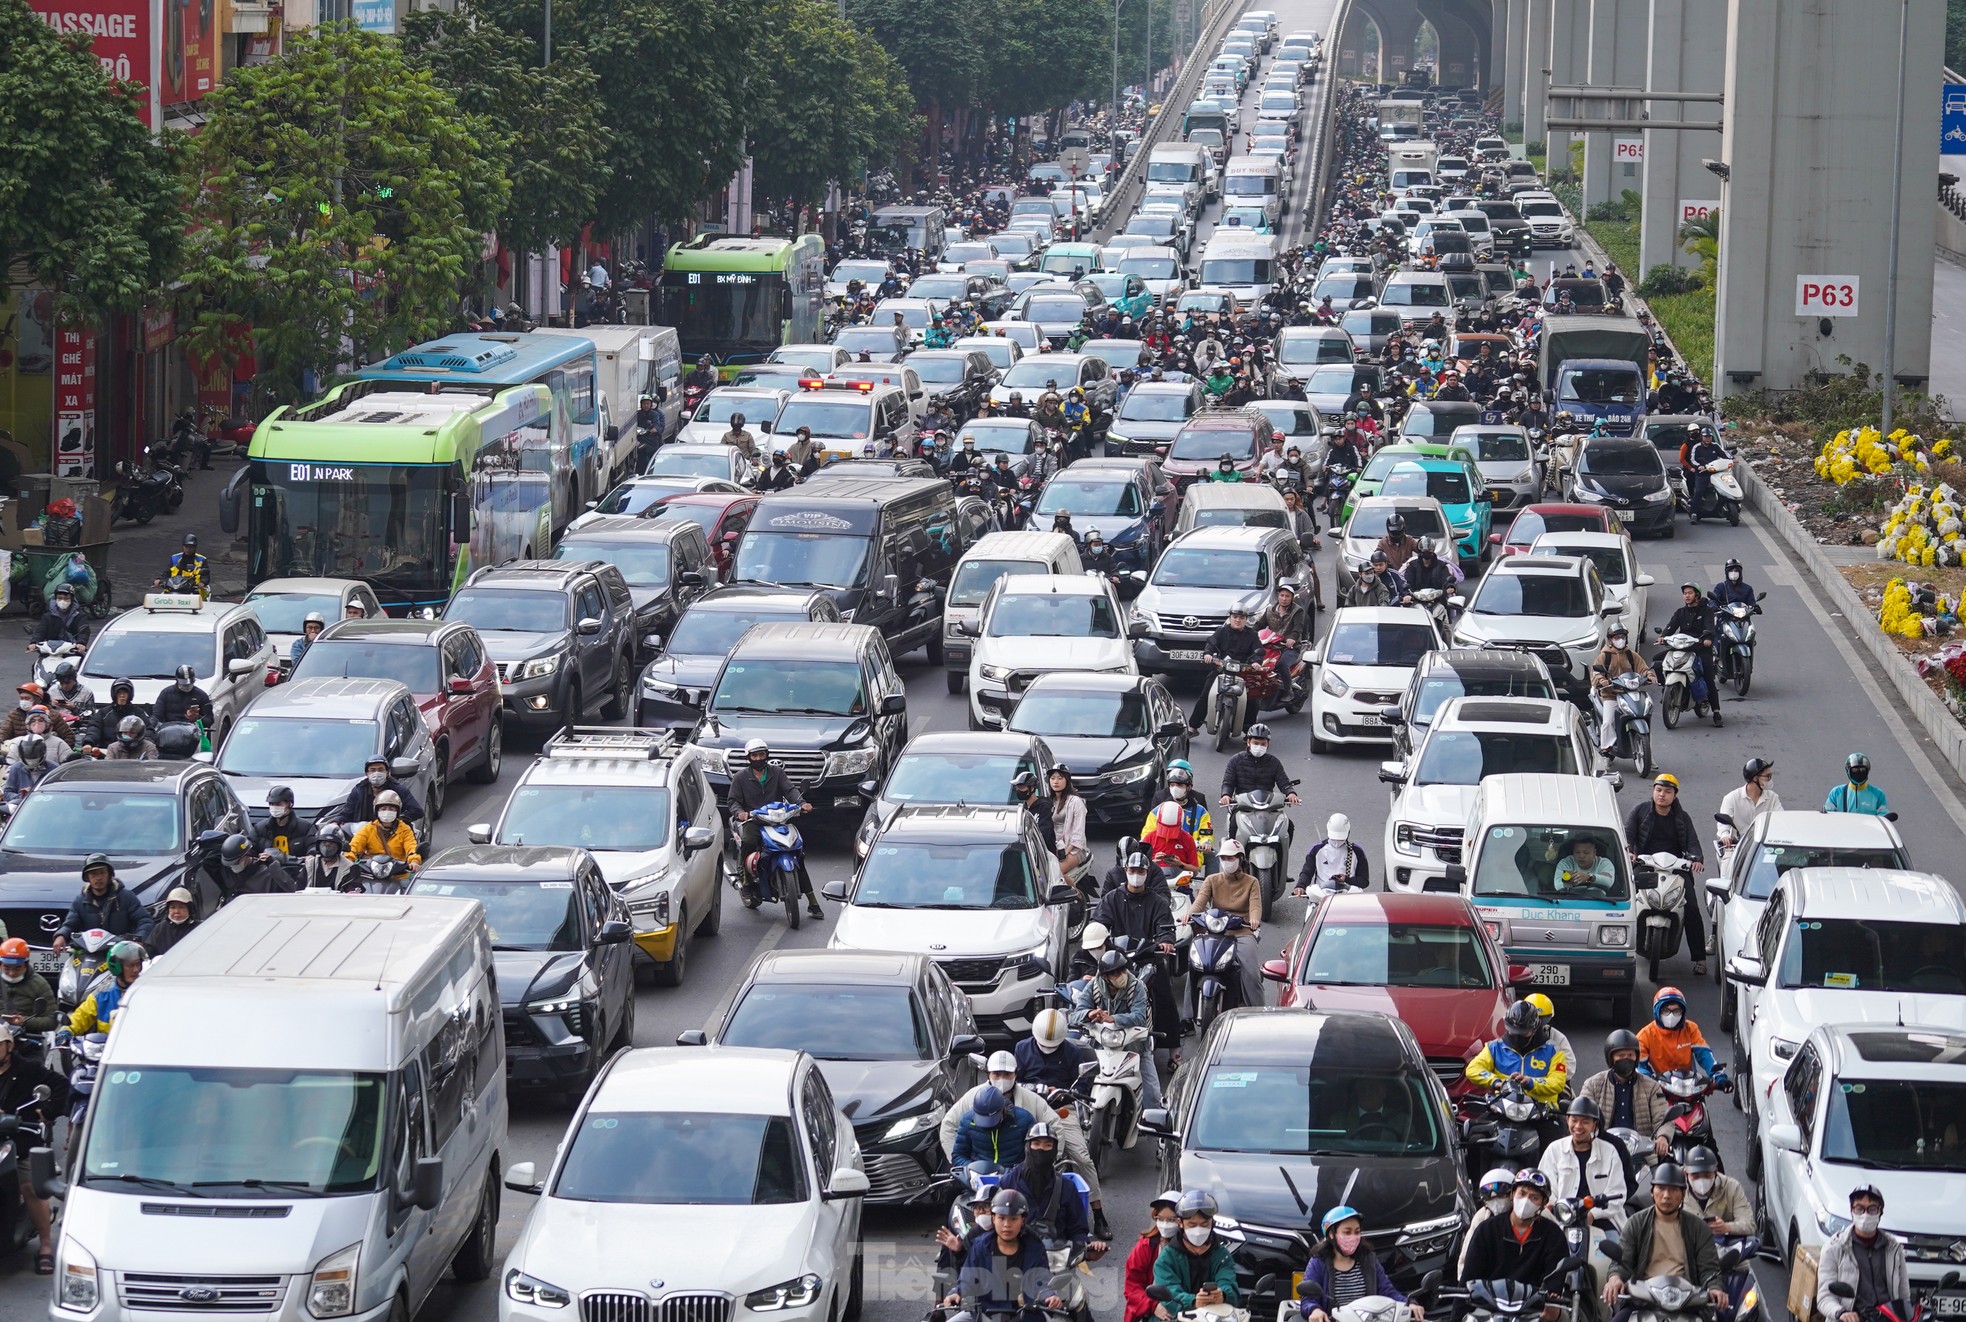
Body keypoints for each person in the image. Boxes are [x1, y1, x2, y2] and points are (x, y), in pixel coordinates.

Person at [1599, 1165, 1727, 1316]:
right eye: (1661, 1188)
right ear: (1652, 1192)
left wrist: (1715, 1287)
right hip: (1644, 1300)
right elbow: (1623, 1261)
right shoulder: (1636, 1222)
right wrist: (1615, 1278)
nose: (1667, 1195)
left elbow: (1709, 1269)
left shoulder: (1699, 1228)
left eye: (1673, 1189)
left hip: (1687, 1302)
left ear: (1683, 1193)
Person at [1093, 858, 1181, 1061]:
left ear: (1147, 872)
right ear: (1125, 870)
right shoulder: (1112, 899)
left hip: (1147, 958)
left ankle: (1174, 1052)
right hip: (1115, 958)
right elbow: (1099, 924)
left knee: (1165, 998)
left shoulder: (1157, 901)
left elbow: (1165, 927)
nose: (1136, 873)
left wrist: (1165, 941)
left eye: (1140, 870)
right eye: (1132, 869)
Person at [1624, 773, 1709, 971]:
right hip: (1645, 865)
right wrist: (1629, 852)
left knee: (1692, 909)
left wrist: (1696, 859)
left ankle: (1700, 959)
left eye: (1667, 791)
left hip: (1676, 868)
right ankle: (1620, 946)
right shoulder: (1640, 811)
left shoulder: (1682, 817)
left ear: (1675, 795)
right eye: (1658, 790)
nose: (1662, 795)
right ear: (1653, 791)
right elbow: (1627, 834)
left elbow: (1693, 843)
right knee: (1626, 899)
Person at [0, 1022, 65, 1272]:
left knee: (31, 1188)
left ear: (9, 1046)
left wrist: (46, 1113)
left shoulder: (27, 1069)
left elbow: (59, 1085)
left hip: (20, 1140)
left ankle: (46, 1246)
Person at [1459, 1169, 1568, 1316]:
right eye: (1522, 1194)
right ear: (1512, 1194)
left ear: (1543, 1204)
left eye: (1534, 1198)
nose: (1526, 1201)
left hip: (1533, 1309)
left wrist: (1551, 1304)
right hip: (1489, 1308)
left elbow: (1554, 1283)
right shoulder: (1487, 1229)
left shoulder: (1553, 1236)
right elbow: (1468, 1279)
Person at [1068, 949, 1161, 1111]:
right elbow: (1076, 1015)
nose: (1121, 975)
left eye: (1123, 970)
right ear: (1105, 976)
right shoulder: (1093, 987)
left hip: (1136, 1045)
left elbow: (1139, 1017)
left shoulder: (1137, 987)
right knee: (1079, 1083)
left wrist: (1114, 1019)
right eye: (1115, 973)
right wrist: (1089, 1014)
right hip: (1101, 1046)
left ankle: (1154, 1124)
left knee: (1152, 1093)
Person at [1300, 1205, 1425, 1322]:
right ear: (1332, 1234)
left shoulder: (1369, 1259)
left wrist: (1408, 1303)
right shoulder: (1318, 1263)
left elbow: (1387, 1291)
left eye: (1357, 1232)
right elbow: (1308, 1300)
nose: (1353, 1237)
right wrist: (1314, 1310)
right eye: (1347, 1232)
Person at [945, 1188, 1059, 1313]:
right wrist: (957, 1292)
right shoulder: (980, 1246)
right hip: (986, 1314)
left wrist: (1048, 1296)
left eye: (1013, 1219)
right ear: (993, 1219)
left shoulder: (1034, 1247)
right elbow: (967, 1278)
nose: (1006, 1224)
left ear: (1023, 1220)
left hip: (1026, 1315)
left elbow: (1041, 1280)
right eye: (1001, 1218)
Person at [998, 1123, 1103, 1258]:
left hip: (1057, 1259)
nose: (1041, 1149)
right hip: (1016, 1258)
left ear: (1054, 1150)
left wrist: (1087, 1250)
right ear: (1027, 1147)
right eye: (1036, 1144)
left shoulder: (1067, 1187)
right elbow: (996, 1224)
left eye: (1048, 1145)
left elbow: (1078, 1229)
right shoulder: (1008, 1182)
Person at [1817, 1185, 1909, 1322]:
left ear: (1880, 1212)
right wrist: (1842, 1313)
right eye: (1859, 1208)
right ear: (1852, 1211)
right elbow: (1824, 1297)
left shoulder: (1894, 1249)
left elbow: (1904, 1296)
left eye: (1872, 1209)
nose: (1865, 1215)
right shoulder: (1834, 1248)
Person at [1190, 839, 1264, 1009]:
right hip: (1215, 932)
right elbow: (1199, 902)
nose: (1227, 862)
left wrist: (1254, 920)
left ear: (1240, 859)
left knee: (1251, 974)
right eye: (1223, 858)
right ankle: (1187, 1017)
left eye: (1231, 858)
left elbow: (1256, 906)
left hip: (1242, 931)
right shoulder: (1212, 880)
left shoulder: (1251, 882)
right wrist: (1189, 915)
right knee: (1195, 966)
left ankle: (1259, 1012)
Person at [1538, 1096, 1630, 1229]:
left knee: (1615, 1248)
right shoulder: (1554, 1149)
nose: (1578, 1126)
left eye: (1585, 1122)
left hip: (1602, 1219)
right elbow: (1547, 1189)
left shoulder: (1609, 1152)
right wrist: (1559, 1210)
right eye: (1574, 1120)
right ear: (1567, 1120)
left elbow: (1617, 1195)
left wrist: (1592, 1214)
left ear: (1595, 1124)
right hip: (1562, 1219)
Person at [1580, 1030, 1674, 1159]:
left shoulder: (1651, 1087)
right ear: (1611, 1058)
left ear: (1636, 1057)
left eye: (1630, 1055)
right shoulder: (1593, 1084)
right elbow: (1583, 1116)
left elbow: (1663, 1119)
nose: (1626, 1059)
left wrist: (1663, 1137)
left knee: (1665, 1175)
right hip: (1602, 1154)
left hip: (1642, 1156)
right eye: (1621, 1055)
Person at [1152, 1191, 1240, 1317]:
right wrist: (1193, 1301)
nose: (1198, 1230)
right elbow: (1169, 1291)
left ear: (1212, 1223)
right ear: (1180, 1223)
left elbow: (1229, 1282)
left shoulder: (1222, 1255)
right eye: (1192, 1225)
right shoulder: (1167, 1258)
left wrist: (1223, 1294)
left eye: (1204, 1225)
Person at [1465, 1000, 1569, 1104]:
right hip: (1503, 1108)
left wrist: (1530, 1082)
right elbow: (1473, 1069)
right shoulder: (1494, 1047)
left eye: (1523, 1033)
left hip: (1543, 1112)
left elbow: (1558, 1082)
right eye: (1512, 1031)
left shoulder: (1553, 1050)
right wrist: (1497, 1082)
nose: (1517, 1036)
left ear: (1534, 1029)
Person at [52, 854, 151, 955]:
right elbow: (70, 924)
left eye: (102, 873)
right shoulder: (80, 901)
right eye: (93, 874)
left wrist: (139, 940)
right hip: (89, 956)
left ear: (109, 875)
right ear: (87, 877)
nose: (98, 878)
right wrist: (61, 936)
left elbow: (145, 921)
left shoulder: (126, 897)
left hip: (120, 954)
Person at [1656, 583, 1723, 727]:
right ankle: (1666, 688)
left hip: (1699, 648)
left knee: (1708, 677)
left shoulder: (1707, 611)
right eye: (1685, 593)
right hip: (1681, 647)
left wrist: (1707, 639)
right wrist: (1663, 636)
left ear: (1697, 595)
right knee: (1657, 661)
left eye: (1690, 593)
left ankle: (1716, 712)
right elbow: (1670, 627)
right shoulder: (1680, 612)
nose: (1687, 596)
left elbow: (1710, 627)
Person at [1188, 605, 1263, 732]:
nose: (1238, 620)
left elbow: (1258, 652)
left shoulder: (1252, 635)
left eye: (1241, 617)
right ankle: (1192, 727)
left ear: (1246, 619)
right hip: (1220, 670)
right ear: (1230, 618)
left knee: (1252, 699)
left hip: (1242, 673)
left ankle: (1249, 731)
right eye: (1235, 617)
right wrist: (1208, 654)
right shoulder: (1221, 631)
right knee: (1206, 694)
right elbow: (1211, 645)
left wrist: (1256, 662)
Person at [1636, 988, 1729, 1087]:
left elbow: (1704, 1054)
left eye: (1676, 1011)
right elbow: (1639, 1066)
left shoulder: (1690, 1028)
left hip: (1689, 1085)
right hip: (1661, 1087)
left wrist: (1719, 1076)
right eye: (1666, 1011)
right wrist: (1650, 1080)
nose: (1671, 1016)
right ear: (1657, 1011)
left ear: (1682, 1012)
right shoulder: (1645, 1035)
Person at [1591, 624, 1656, 757]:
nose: (1620, 640)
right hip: (1611, 695)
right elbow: (1595, 673)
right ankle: (1606, 749)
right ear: (1610, 640)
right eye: (1616, 637)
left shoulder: (1632, 655)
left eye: (1622, 637)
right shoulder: (1604, 656)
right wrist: (1601, 680)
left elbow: (1643, 669)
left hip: (1631, 693)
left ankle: (1648, 752)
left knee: (1644, 714)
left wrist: (1650, 675)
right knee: (1608, 722)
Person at [951, 1084, 1037, 1172]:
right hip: (977, 1174)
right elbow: (958, 1156)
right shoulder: (967, 1120)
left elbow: (1034, 1158)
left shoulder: (1025, 1120)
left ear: (1003, 1110)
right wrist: (972, 1169)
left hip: (1012, 1176)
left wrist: (1010, 1174)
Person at [1125, 1193, 1184, 1322]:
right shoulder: (1145, 1247)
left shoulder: (1192, 1248)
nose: (1165, 1224)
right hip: (1150, 1311)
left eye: (1171, 1220)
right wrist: (1153, 1306)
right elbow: (1132, 1287)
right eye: (1161, 1219)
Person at [68, 939, 145, 1035]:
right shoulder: (102, 994)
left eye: (138, 964)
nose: (136, 969)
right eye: (130, 965)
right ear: (117, 967)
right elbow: (80, 1017)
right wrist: (66, 1031)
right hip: (107, 1049)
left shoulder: (147, 992)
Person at [1460, 1168, 1526, 1277]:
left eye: (1501, 1196)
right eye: (1491, 1199)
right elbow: (1467, 1256)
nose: (1496, 1202)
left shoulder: (1535, 1214)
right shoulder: (1481, 1218)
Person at [1217, 722, 1301, 808]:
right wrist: (1226, 795)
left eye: (1263, 744)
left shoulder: (1274, 762)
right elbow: (1228, 783)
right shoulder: (1235, 760)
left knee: (1286, 821)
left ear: (1268, 744)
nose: (1259, 746)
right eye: (1256, 743)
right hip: (1242, 805)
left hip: (1268, 806)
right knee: (1233, 821)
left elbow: (1284, 782)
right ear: (1248, 742)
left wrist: (1291, 793)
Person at [337, 754, 426, 830]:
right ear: (367, 774)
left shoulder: (398, 789)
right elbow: (346, 813)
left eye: (380, 770)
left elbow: (417, 811)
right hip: (364, 836)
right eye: (372, 770)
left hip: (392, 835)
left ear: (387, 772)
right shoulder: (359, 790)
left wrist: (396, 820)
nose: (376, 773)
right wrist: (335, 823)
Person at [1681, 1147, 1752, 1237]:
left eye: (1707, 1175)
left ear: (1715, 1172)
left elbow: (1749, 1223)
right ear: (1685, 1174)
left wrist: (1727, 1227)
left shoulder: (1732, 1187)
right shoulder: (1674, 1189)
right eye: (1695, 1175)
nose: (1701, 1180)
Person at [343, 790, 422, 870]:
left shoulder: (405, 829)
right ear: (377, 811)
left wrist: (414, 861)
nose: (387, 812)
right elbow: (354, 847)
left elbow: (411, 848)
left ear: (397, 812)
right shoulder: (368, 828)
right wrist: (348, 860)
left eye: (391, 809)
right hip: (372, 872)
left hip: (398, 874)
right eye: (383, 809)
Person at [1294, 814, 1370, 894]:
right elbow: (1307, 872)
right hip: (1321, 895)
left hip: (1348, 896)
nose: (1337, 841)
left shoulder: (1357, 852)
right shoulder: (1317, 850)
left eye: (1340, 839)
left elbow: (1364, 881)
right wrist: (1301, 886)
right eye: (1334, 838)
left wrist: (1346, 879)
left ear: (1348, 833)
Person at [1257, 585, 1310, 694]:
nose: (1284, 599)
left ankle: (1288, 690)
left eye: (1287, 596)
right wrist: (1249, 634)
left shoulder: (1297, 611)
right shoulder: (1269, 610)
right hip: (1271, 646)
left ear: (1292, 598)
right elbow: (1259, 625)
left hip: (1290, 648)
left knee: (1281, 664)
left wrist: (1292, 639)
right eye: (1282, 595)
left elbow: (1297, 629)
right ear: (1278, 596)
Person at [0, 938, 58, 1034]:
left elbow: (52, 1020)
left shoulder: (39, 984)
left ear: (26, 965)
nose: (11, 973)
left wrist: (24, 1021)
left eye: (17, 968)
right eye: (6, 968)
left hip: (27, 1037)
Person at [210, 832, 296, 897]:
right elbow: (208, 861)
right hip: (234, 913)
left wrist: (272, 865)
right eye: (230, 864)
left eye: (236, 862)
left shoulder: (267, 872)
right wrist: (221, 846)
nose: (233, 866)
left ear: (247, 855)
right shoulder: (227, 871)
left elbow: (291, 889)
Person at [252, 785, 315, 869]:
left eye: (278, 804)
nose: (274, 807)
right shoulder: (260, 828)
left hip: (296, 874)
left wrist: (290, 859)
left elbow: (314, 853)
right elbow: (249, 850)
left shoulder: (306, 828)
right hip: (267, 875)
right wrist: (258, 858)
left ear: (289, 804)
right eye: (271, 804)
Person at [78, 677, 148, 754]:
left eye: (125, 693)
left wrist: (145, 745)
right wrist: (88, 743)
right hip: (106, 754)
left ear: (130, 695)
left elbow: (148, 731)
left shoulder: (139, 713)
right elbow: (94, 728)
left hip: (133, 753)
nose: (122, 696)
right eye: (119, 692)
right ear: (114, 694)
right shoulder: (103, 713)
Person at [1718, 758, 1780, 837]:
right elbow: (1723, 825)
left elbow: (1780, 819)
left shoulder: (1773, 798)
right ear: (1755, 778)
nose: (1770, 779)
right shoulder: (1731, 798)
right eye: (1768, 776)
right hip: (1738, 845)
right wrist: (1725, 835)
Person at [1048, 766, 1089, 885]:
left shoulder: (1076, 802)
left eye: (1060, 778)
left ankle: (1076, 895)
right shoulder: (1050, 801)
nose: (1056, 781)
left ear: (1067, 780)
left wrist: (1066, 851)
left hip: (1074, 850)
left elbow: (1078, 833)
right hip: (1053, 847)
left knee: (1054, 872)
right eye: (1053, 778)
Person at [1825, 752, 1890, 815]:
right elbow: (1828, 815)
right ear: (1848, 771)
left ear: (1868, 771)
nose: (1858, 772)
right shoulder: (1836, 793)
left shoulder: (1878, 794)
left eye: (1862, 770)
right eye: (1854, 770)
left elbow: (1883, 818)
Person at [1013, 770, 1058, 857]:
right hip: (1029, 853)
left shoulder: (1044, 807)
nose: (1018, 790)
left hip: (1045, 855)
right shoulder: (1023, 807)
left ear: (1032, 788)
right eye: (1017, 788)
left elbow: (1045, 833)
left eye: (1022, 787)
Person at [1524, 994, 1575, 1069]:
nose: (1537, 1026)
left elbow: (1570, 1065)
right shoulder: (1514, 1037)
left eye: (1541, 1021)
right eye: (1532, 1021)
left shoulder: (1558, 1037)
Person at [29, 582, 88, 647]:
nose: (62, 601)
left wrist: (81, 643)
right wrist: (34, 642)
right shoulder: (48, 616)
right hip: (50, 651)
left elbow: (84, 631)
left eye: (66, 598)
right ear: (55, 599)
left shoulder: (80, 616)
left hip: (72, 651)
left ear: (72, 599)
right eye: (59, 598)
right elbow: (40, 631)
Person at [147, 887, 201, 957]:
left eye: (181, 907)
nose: (176, 911)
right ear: (168, 909)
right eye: (173, 907)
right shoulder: (159, 929)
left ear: (189, 909)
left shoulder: (200, 928)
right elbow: (148, 951)